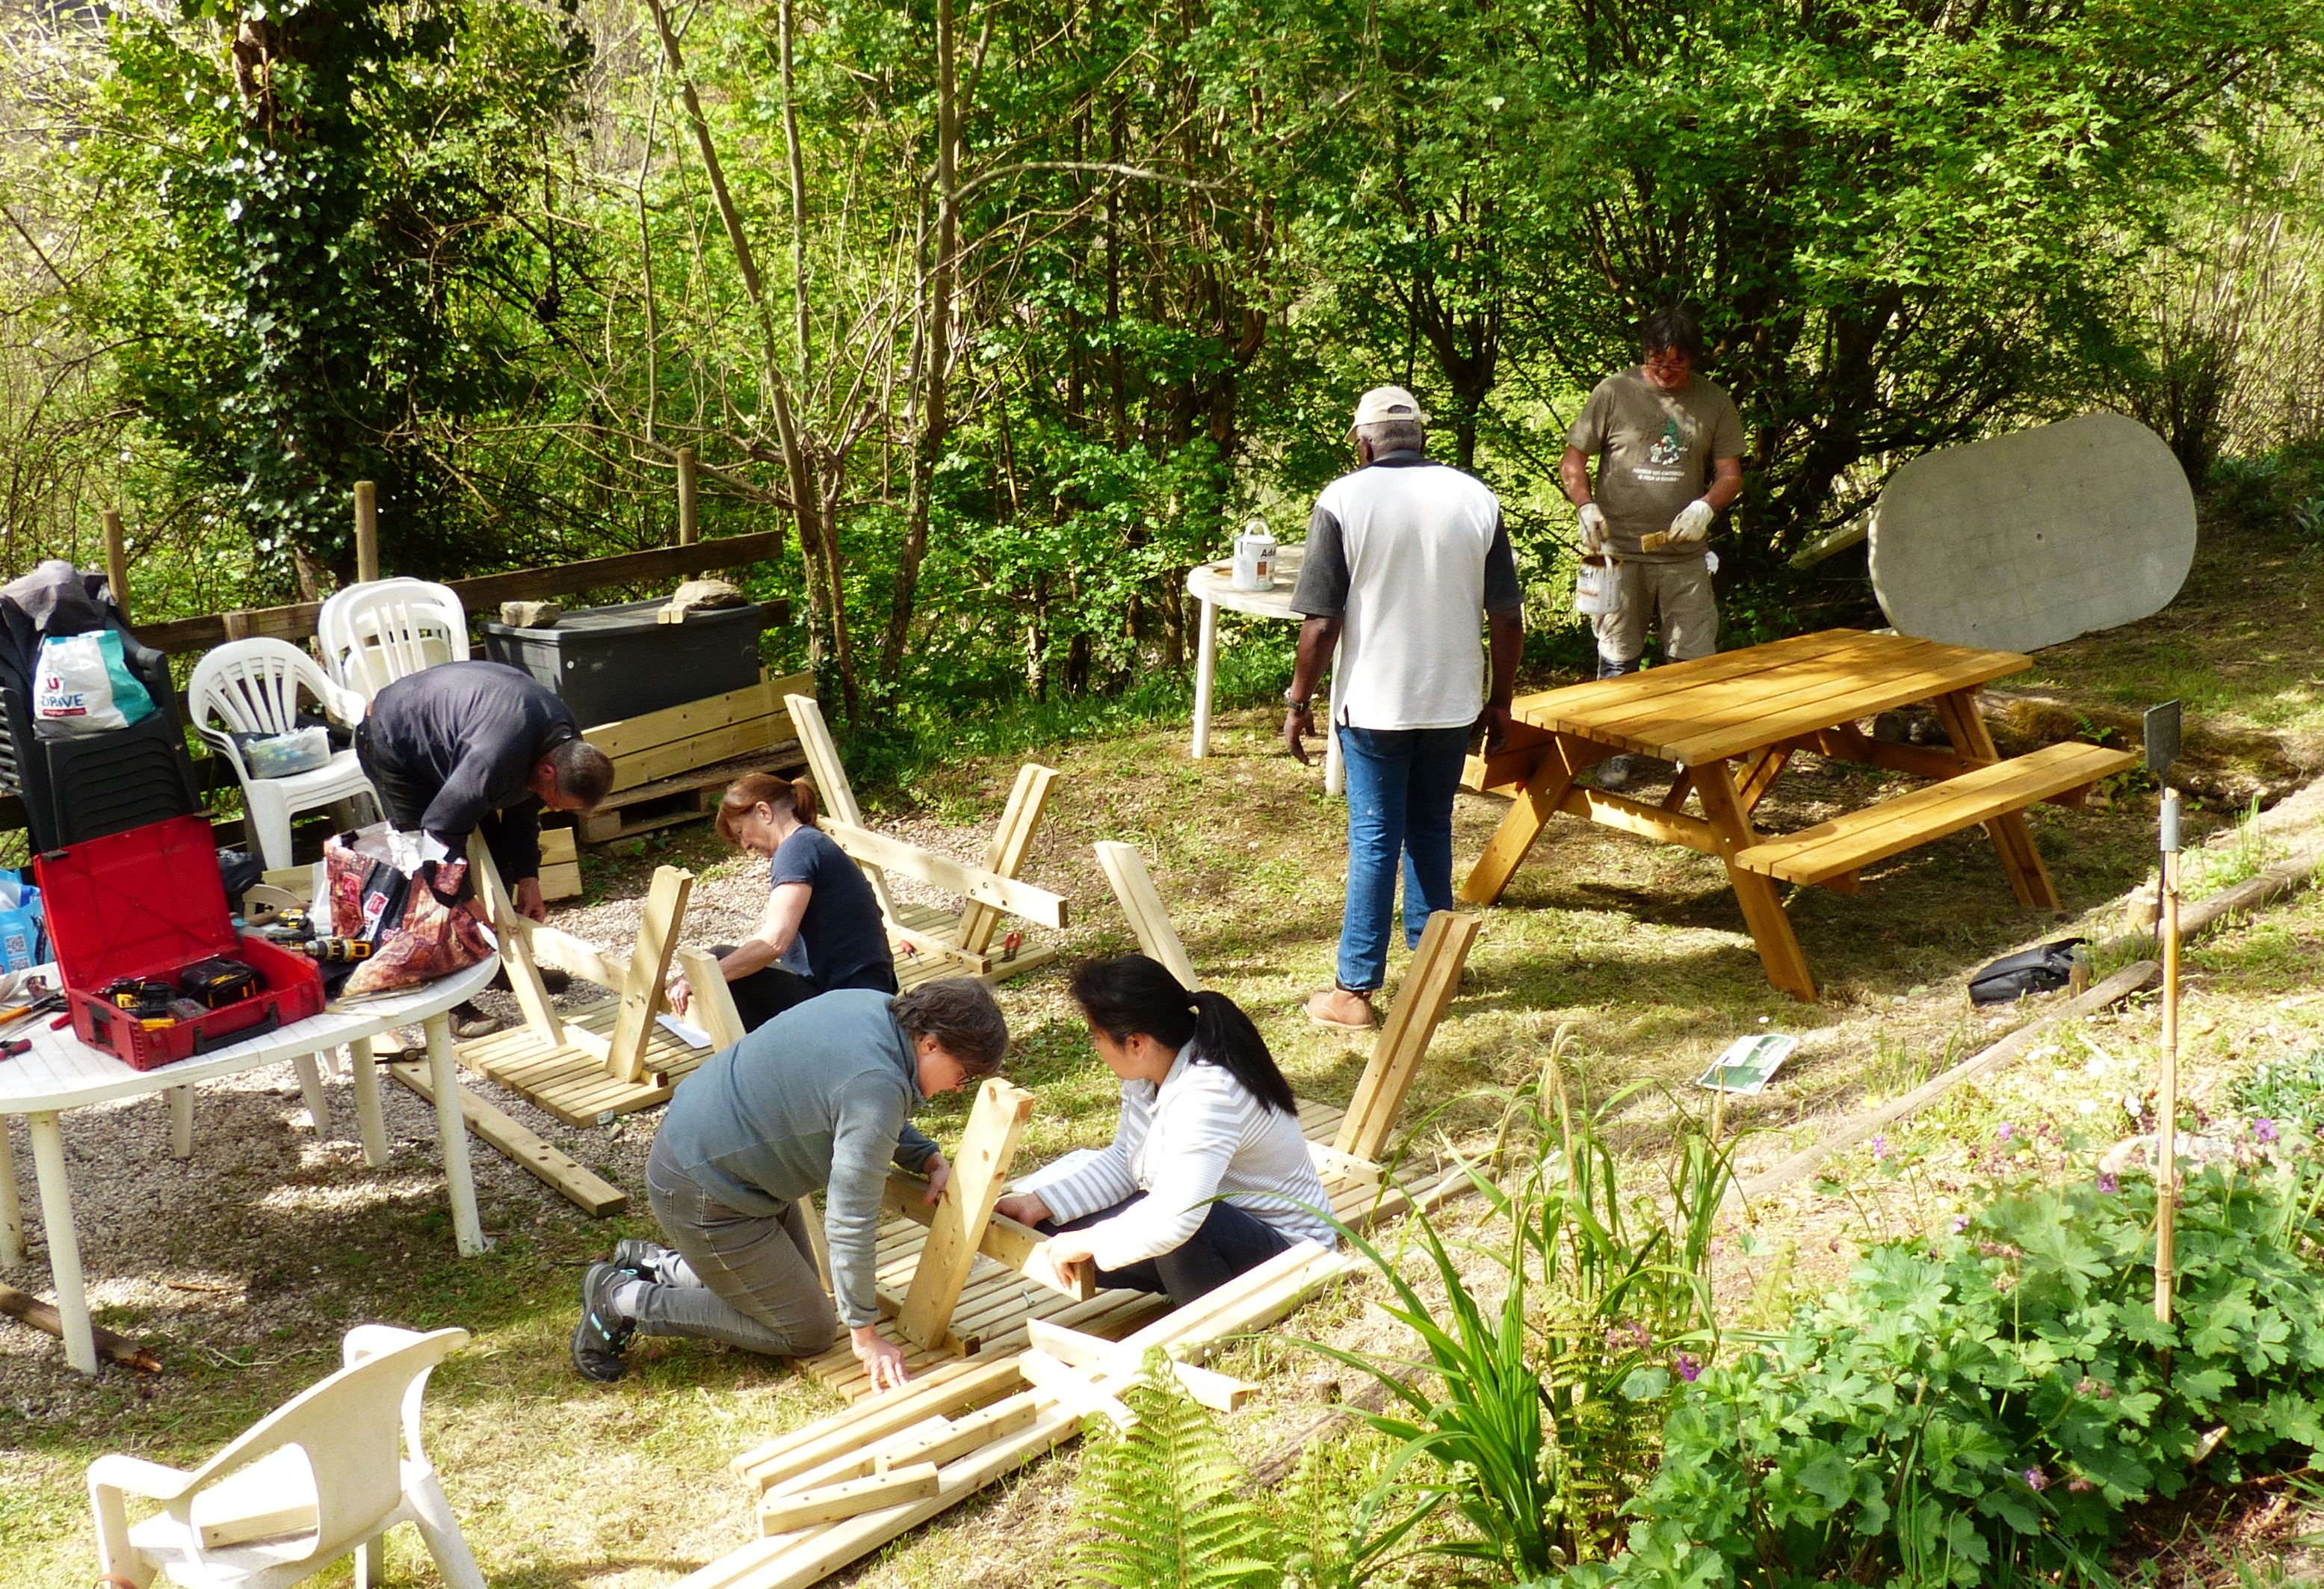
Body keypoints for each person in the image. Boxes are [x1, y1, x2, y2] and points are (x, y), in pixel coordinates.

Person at [572, 978, 1010, 1389]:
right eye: (964, 1075)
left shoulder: (873, 1007)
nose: (958, 1089)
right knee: (809, 1328)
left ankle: (657, 1264)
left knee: (794, 1287)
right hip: (705, 1193)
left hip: (726, 1164)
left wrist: (928, 1157)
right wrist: (865, 1335)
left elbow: (862, 1114)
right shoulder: (876, 1083)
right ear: (931, 1044)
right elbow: (849, 1219)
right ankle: (621, 1300)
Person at [1285, 385, 1524, 1031]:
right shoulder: (1475, 498)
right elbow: (1506, 617)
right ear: (1421, 438)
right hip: (1451, 701)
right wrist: (1500, 700)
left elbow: (1321, 626)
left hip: (1375, 703)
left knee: (1373, 840)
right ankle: (1432, 971)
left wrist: (1298, 700)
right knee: (1430, 829)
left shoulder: (1342, 500)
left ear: (1362, 443)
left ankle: (1354, 993)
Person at [996, 955, 1333, 1307]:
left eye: (1097, 1037)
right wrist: (1043, 1203)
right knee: (1053, 1234)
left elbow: (1180, 1218)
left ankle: (1212, 1323)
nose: (1096, 1047)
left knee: (1178, 1227)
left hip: (1294, 1255)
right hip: (1211, 1228)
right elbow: (1125, 1163)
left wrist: (1091, 1240)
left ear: (1136, 1044)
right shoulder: (1149, 1074)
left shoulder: (1208, 1092)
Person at [354, 659, 614, 1034]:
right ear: (547, 771)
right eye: (557, 800)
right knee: (426, 883)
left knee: (499, 855)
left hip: (454, 743)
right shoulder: (497, 756)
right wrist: (467, 899)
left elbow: (525, 811)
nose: (553, 807)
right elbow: (439, 834)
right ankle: (449, 1000)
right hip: (393, 742)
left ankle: (502, 965)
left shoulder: (564, 744)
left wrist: (529, 878)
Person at [1560, 304, 1745, 786]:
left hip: (1683, 555)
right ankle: (1615, 748)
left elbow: (1730, 473)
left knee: (1691, 657)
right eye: (1655, 362)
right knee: (1618, 655)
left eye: (1676, 365)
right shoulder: (1614, 392)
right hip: (1617, 552)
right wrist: (1585, 507)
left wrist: (1707, 506)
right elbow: (1573, 462)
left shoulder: (1714, 401)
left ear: (1693, 361)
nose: (1664, 373)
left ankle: (1691, 748)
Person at [666, 772, 896, 1031]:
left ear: (764, 812)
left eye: (741, 832)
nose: (744, 845)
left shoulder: (795, 850)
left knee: (720, 964)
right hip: (866, 994)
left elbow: (773, 942)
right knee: (728, 964)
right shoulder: (812, 842)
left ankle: (764, 1063)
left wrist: (698, 979)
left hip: (849, 1006)